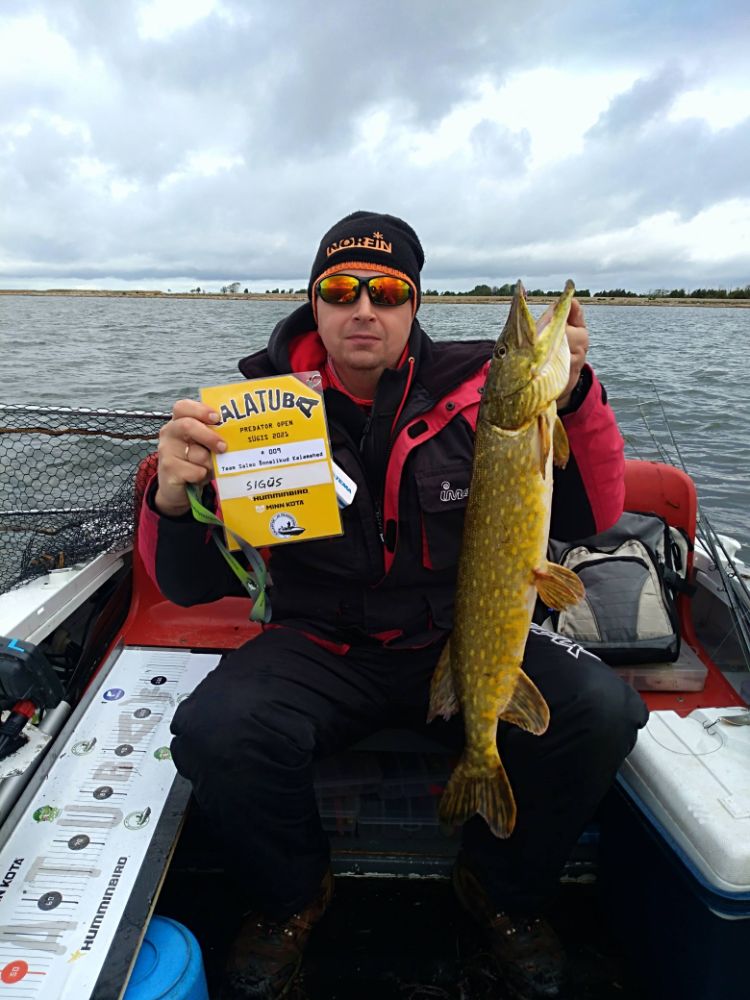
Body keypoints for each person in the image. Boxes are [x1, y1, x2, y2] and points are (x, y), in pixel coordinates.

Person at [139, 211, 648, 1000]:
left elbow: (591, 516)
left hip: (459, 633)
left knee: (600, 711)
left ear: (414, 305)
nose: (363, 308)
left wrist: (576, 395)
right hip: (323, 645)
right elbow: (192, 587)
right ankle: (292, 898)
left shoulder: (481, 395)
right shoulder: (260, 414)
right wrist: (173, 500)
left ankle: (500, 891)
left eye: (387, 291)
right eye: (341, 289)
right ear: (315, 303)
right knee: (216, 729)